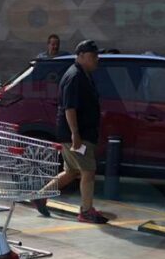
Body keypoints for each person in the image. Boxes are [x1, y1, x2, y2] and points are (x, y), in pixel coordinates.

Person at [32, 40, 108, 223]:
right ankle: (86, 211)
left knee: (72, 171)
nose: (96, 59)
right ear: (80, 56)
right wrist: (75, 134)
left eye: (97, 55)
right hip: (77, 134)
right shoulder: (75, 76)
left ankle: (40, 195)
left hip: (80, 133)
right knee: (88, 171)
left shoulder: (83, 74)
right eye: (93, 56)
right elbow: (69, 108)